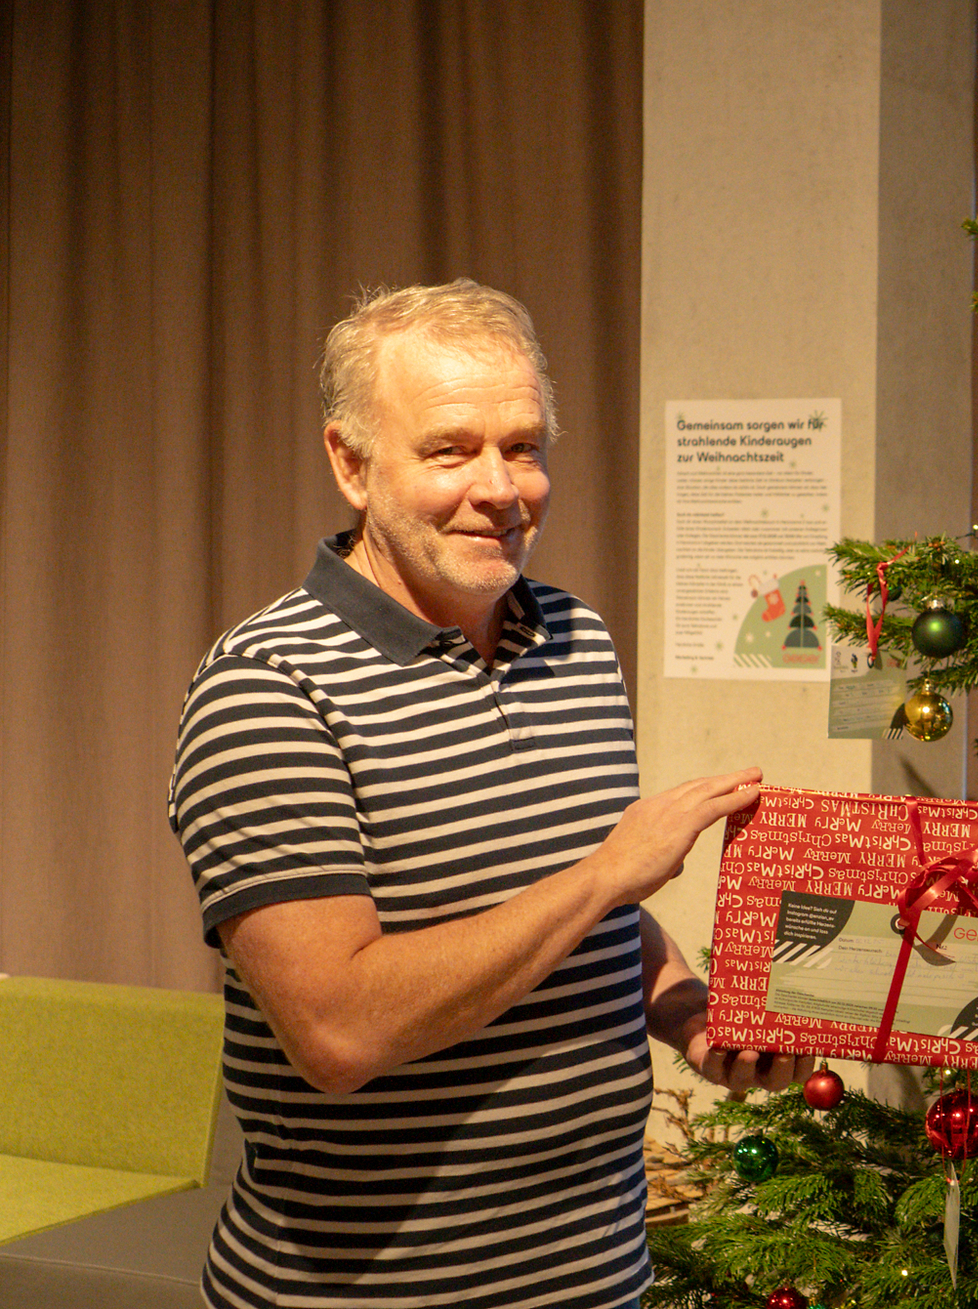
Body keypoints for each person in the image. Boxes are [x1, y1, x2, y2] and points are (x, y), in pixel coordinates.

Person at [169, 280, 800, 1309]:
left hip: (598, 1279)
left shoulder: (574, 639)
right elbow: (337, 1033)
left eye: (525, 445)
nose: (502, 487)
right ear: (350, 463)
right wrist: (605, 876)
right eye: (450, 450)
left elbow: (581, 916)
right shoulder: (268, 686)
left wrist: (680, 1002)